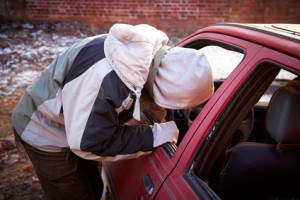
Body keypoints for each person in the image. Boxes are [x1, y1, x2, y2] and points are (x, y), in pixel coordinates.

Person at [12, 24, 214, 200]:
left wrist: (158, 113)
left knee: (93, 186)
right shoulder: (105, 80)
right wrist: (154, 134)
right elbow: (90, 143)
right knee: (73, 194)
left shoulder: (140, 57)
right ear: (164, 86)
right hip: (42, 130)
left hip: (73, 125)